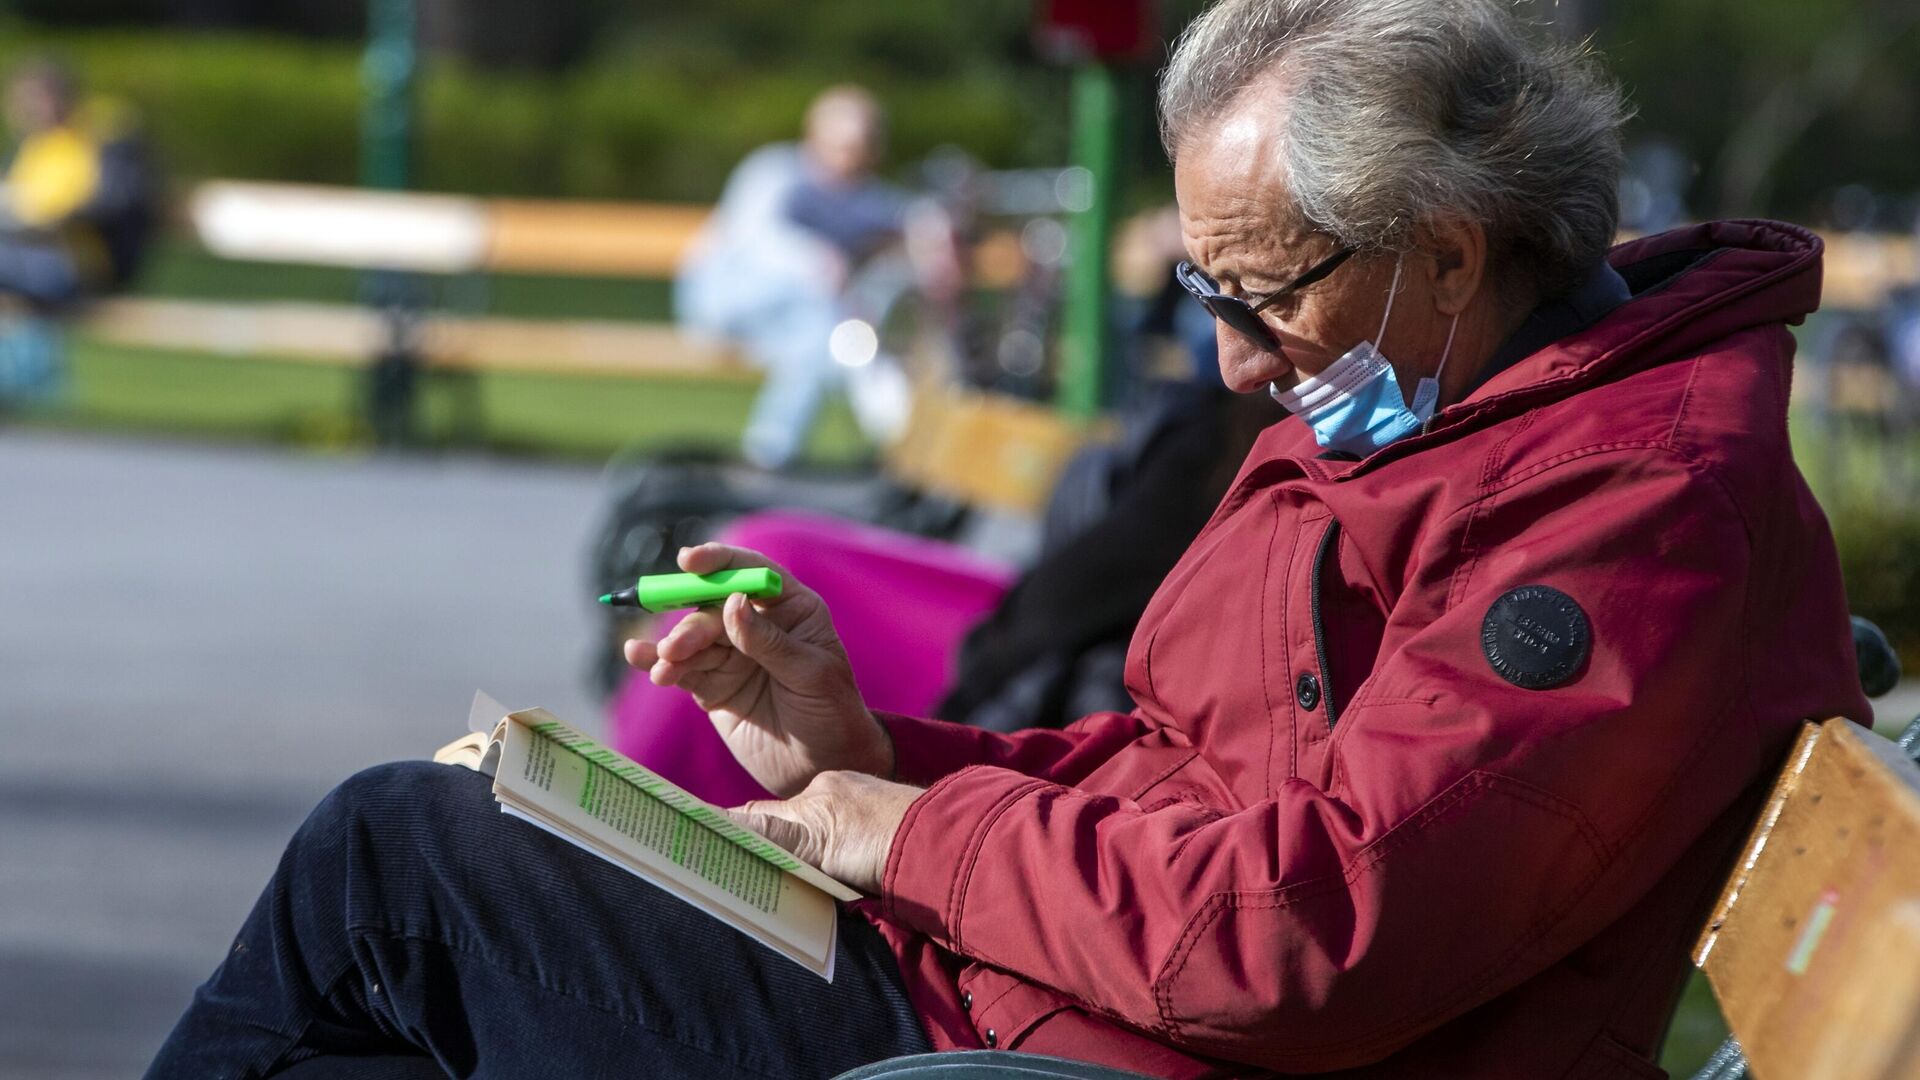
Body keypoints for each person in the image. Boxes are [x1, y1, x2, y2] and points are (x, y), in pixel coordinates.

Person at [148, 1, 1871, 1077]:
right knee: (433, 880)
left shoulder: (1628, 508)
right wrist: (874, 750)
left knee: (402, 870)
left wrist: (899, 833)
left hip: (1092, 1050)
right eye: (1207, 291)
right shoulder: (1456, 419)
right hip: (1043, 1006)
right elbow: (1195, 777)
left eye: (1260, 295)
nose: (1231, 360)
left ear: (1439, 248)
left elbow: (1308, 934)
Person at [677, 85, 957, 471]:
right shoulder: (773, 172)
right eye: (841, 146)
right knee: (826, 315)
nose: (849, 158)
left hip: (803, 325)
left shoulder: (861, 198)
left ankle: (774, 454)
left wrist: (935, 242)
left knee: (816, 338)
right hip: (724, 302)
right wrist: (817, 261)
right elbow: (757, 239)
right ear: (813, 139)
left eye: (860, 148)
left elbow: (914, 218)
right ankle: (888, 421)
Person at [0, 59, 154, 309]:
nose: (27, 109)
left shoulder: (105, 134)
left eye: (35, 99)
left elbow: (113, 204)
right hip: (30, 254)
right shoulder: (35, 143)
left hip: (83, 265)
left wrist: (49, 217)